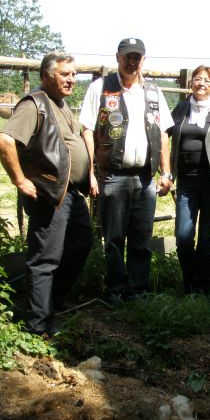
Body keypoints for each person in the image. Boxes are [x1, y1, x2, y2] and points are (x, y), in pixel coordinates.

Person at [0, 52, 92, 337]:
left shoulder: (60, 104)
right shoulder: (34, 104)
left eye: (74, 74)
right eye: (65, 74)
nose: (71, 79)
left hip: (71, 193)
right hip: (50, 194)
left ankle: (52, 301)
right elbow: (4, 140)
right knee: (45, 259)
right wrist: (20, 180)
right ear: (46, 76)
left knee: (81, 242)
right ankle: (37, 326)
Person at [79, 38, 174, 303]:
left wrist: (166, 173)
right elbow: (87, 129)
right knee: (113, 239)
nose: (132, 62)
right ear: (118, 58)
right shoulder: (101, 87)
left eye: (137, 57)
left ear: (143, 60)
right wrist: (90, 172)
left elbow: (164, 134)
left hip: (145, 179)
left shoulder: (153, 92)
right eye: (127, 57)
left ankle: (138, 292)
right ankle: (115, 291)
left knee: (141, 239)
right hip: (113, 176)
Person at [167, 66, 210, 294]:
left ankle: (201, 287)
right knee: (183, 236)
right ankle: (189, 281)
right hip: (186, 182)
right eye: (197, 79)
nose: (201, 83)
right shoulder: (181, 109)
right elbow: (165, 135)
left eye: (206, 81)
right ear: (191, 83)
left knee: (206, 238)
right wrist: (166, 171)